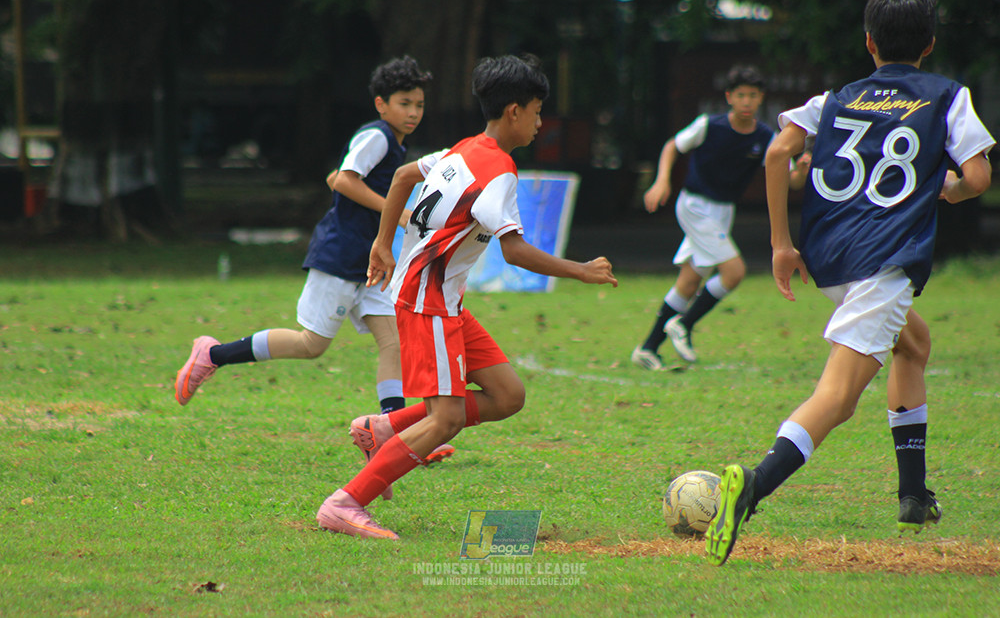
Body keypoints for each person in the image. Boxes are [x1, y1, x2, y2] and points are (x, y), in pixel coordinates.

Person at [705, 0, 994, 567]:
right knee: (836, 399)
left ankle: (913, 495)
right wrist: (949, 189)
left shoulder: (835, 98)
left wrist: (781, 244)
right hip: (884, 264)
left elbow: (777, 152)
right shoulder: (947, 96)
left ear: (869, 42)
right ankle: (752, 488)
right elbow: (980, 178)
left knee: (915, 344)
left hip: (829, 257)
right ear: (930, 44)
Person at [315, 54, 619, 540]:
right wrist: (579, 271)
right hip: (427, 301)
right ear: (515, 111)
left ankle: (380, 430)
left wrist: (382, 241)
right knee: (446, 420)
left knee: (507, 395)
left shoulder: (463, 149)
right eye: (538, 112)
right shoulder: (499, 170)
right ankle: (345, 503)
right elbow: (514, 251)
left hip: (442, 299)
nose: (542, 123)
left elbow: (401, 178)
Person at [173, 57, 451, 462]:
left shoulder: (394, 142)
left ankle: (392, 430)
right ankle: (212, 354)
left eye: (419, 105)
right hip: (342, 255)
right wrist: (398, 210)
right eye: (404, 103)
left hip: (372, 262)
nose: (413, 112)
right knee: (311, 345)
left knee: (394, 341)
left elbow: (342, 179)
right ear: (381, 104)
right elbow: (340, 179)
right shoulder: (376, 137)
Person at [632, 65, 787, 369]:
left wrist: (803, 169)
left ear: (761, 99)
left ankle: (647, 348)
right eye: (740, 95)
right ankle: (684, 325)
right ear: (729, 97)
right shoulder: (708, 125)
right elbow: (671, 146)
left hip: (722, 212)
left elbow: (789, 177)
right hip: (695, 206)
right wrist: (662, 180)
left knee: (689, 283)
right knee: (734, 272)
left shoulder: (766, 137)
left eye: (752, 96)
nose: (746, 101)